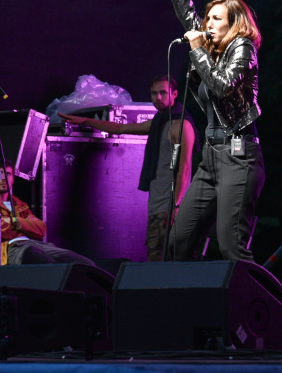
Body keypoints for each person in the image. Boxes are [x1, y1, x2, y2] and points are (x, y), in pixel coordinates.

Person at [162, 0, 265, 261]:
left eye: (216, 18)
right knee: (178, 242)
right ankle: (195, 293)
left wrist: (196, 49)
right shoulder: (209, 48)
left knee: (231, 246)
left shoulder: (243, 48)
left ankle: (260, 294)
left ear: (234, 25)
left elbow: (222, 86)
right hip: (210, 159)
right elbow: (187, 13)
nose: (207, 24)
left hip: (239, 156)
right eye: (207, 18)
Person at [59, 76, 198, 261]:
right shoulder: (159, 122)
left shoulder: (181, 126)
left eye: (163, 93)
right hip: (156, 207)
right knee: (156, 261)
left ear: (174, 94)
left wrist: (176, 205)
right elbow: (120, 129)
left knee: (177, 260)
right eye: (154, 93)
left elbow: (184, 168)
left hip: (172, 207)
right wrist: (85, 121)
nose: (158, 97)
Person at [0, 164, 94, 266]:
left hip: (35, 244)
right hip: (12, 247)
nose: (4, 178)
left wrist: (14, 220)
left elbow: (41, 229)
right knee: (44, 261)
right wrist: (26, 227)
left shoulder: (20, 204)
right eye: (0, 174)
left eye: (8, 174)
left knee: (84, 263)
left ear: (13, 179)